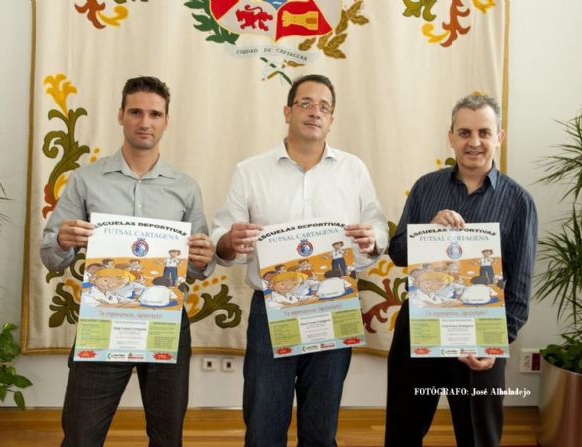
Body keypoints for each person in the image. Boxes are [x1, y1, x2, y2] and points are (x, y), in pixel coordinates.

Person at [211, 74, 388, 447]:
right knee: (263, 425)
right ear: (288, 111)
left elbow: (377, 231)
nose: (315, 112)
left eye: (324, 107)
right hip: (272, 312)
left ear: (332, 119)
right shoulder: (250, 171)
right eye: (306, 103)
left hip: (333, 307)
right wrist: (230, 240)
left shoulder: (353, 170)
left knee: (321, 428)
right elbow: (221, 242)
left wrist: (373, 241)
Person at [40, 76, 215, 447]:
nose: (145, 121)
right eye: (136, 111)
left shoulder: (186, 187)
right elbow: (50, 257)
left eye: (155, 114)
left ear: (167, 121)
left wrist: (204, 257)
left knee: (168, 438)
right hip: (103, 320)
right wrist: (61, 240)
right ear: (121, 115)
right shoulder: (86, 181)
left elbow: (198, 268)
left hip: (166, 320)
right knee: (81, 435)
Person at [385, 94, 538, 447]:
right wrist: (428, 232)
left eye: (484, 132)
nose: (474, 142)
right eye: (465, 132)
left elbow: (520, 284)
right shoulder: (426, 187)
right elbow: (397, 253)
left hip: (481, 336)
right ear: (451, 136)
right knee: (403, 432)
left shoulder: (519, 202)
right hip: (419, 327)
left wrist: (498, 342)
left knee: (477, 437)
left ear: (499, 137)